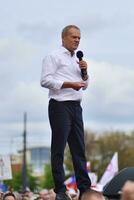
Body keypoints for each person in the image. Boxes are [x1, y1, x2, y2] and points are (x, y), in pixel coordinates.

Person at [40, 25, 91, 200]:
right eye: (73, 37)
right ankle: (60, 190)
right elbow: (45, 80)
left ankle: (85, 189)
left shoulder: (78, 60)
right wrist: (70, 84)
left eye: (79, 37)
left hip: (76, 107)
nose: (77, 40)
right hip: (60, 106)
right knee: (59, 149)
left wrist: (84, 73)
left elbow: (85, 85)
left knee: (79, 151)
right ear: (63, 38)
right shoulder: (53, 57)